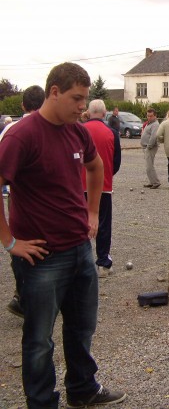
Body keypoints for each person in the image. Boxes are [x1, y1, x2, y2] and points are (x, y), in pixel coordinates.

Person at [0, 62, 126, 408]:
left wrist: (93, 212)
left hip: (79, 250)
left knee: (82, 327)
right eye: (76, 99)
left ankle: (82, 389)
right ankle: (42, 402)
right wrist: (10, 241)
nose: (81, 107)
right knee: (40, 339)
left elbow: (96, 166)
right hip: (41, 258)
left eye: (85, 100)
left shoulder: (78, 131)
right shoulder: (21, 135)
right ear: (54, 92)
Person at [1, 85, 45, 318]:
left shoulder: (10, 128)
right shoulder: (17, 130)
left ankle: (26, 295)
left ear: (22, 105)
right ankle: (26, 297)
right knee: (30, 245)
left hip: (12, 194)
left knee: (26, 244)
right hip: (20, 195)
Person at [82, 99, 121, 278]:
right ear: (104, 113)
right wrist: (106, 176)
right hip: (103, 186)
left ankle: (81, 263)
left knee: (79, 223)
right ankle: (103, 263)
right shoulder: (112, 133)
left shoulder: (78, 131)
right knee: (104, 224)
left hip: (79, 185)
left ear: (89, 113)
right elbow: (116, 162)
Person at [141, 108, 161, 189]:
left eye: (151, 116)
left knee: (149, 166)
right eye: (148, 116)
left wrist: (149, 146)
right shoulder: (149, 123)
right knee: (149, 165)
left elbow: (153, 137)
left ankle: (156, 182)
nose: (149, 117)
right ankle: (151, 181)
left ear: (155, 116)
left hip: (150, 147)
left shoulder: (155, 124)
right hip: (146, 147)